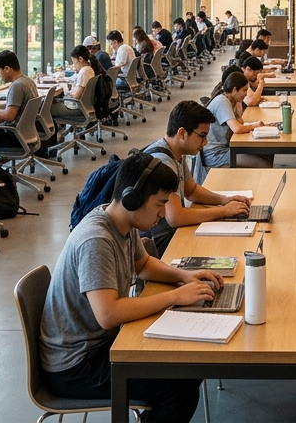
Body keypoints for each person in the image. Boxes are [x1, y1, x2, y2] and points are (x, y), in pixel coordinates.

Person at [39, 152, 214, 423]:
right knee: (178, 389)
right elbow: (108, 313)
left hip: (99, 345)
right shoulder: (96, 239)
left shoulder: (122, 222)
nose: (162, 212)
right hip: (76, 365)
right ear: (133, 199)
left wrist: (185, 277)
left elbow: (143, 264)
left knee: (189, 364)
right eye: (160, 204)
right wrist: (176, 296)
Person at [140, 100, 252, 253]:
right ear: (182, 133)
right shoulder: (163, 161)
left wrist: (223, 200)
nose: (205, 142)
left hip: (168, 231)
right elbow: (176, 218)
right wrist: (223, 211)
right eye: (202, 136)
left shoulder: (175, 154)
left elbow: (191, 190)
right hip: (158, 239)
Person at [202, 72, 273, 170]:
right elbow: (237, 128)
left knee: (266, 155)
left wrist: (237, 103)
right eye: (244, 90)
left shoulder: (230, 99)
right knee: (265, 165)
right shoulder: (222, 102)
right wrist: (255, 125)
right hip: (217, 154)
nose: (245, 94)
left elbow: (240, 121)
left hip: (225, 148)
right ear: (234, 90)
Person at [0, 50, 45, 151]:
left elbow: (9, 115)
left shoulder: (17, 86)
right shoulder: (28, 81)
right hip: (26, 133)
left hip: (14, 136)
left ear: (7, 69)